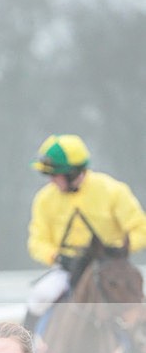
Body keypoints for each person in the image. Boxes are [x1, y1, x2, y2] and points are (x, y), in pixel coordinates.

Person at [26, 133, 146, 330]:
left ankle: (138, 345)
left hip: (110, 266)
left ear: (73, 173)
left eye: (55, 175)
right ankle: (27, 342)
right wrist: (56, 256)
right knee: (39, 296)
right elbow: (36, 242)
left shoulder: (112, 190)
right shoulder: (44, 199)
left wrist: (116, 250)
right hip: (69, 268)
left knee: (132, 302)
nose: (51, 181)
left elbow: (141, 228)